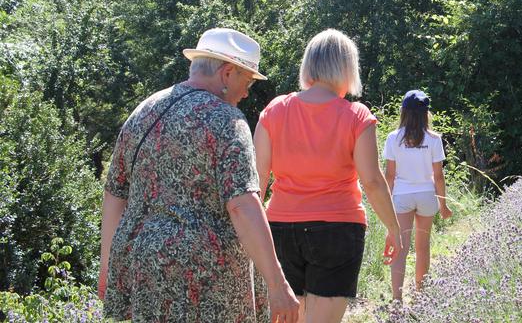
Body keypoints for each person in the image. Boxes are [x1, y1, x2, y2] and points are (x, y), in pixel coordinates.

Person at [99, 28, 301, 323]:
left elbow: (115, 192)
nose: (247, 93)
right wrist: (278, 284)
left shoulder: (143, 111)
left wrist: (109, 265)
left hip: (145, 270)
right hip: (208, 274)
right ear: (227, 73)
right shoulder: (227, 121)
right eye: (247, 81)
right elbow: (242, 205)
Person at [254, 28, 401, 323]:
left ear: (308, 65)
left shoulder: (273, 111)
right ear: (347, 68)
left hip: (281, 228)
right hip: (338, 230)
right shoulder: (357, 116)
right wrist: (394, 229)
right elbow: (371, 181)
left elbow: (257, 181)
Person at [382, 90, 452, 302]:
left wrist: (386, 207)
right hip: (427, 197)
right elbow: (438, 176)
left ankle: (397, 300)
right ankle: (421, 295)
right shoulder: (434, 139)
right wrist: (443, 205)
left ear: (403, 112)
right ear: (425, 114)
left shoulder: (393, 138)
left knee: (400, 249)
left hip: (402, 197)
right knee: (423, 248)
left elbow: (390, 176)